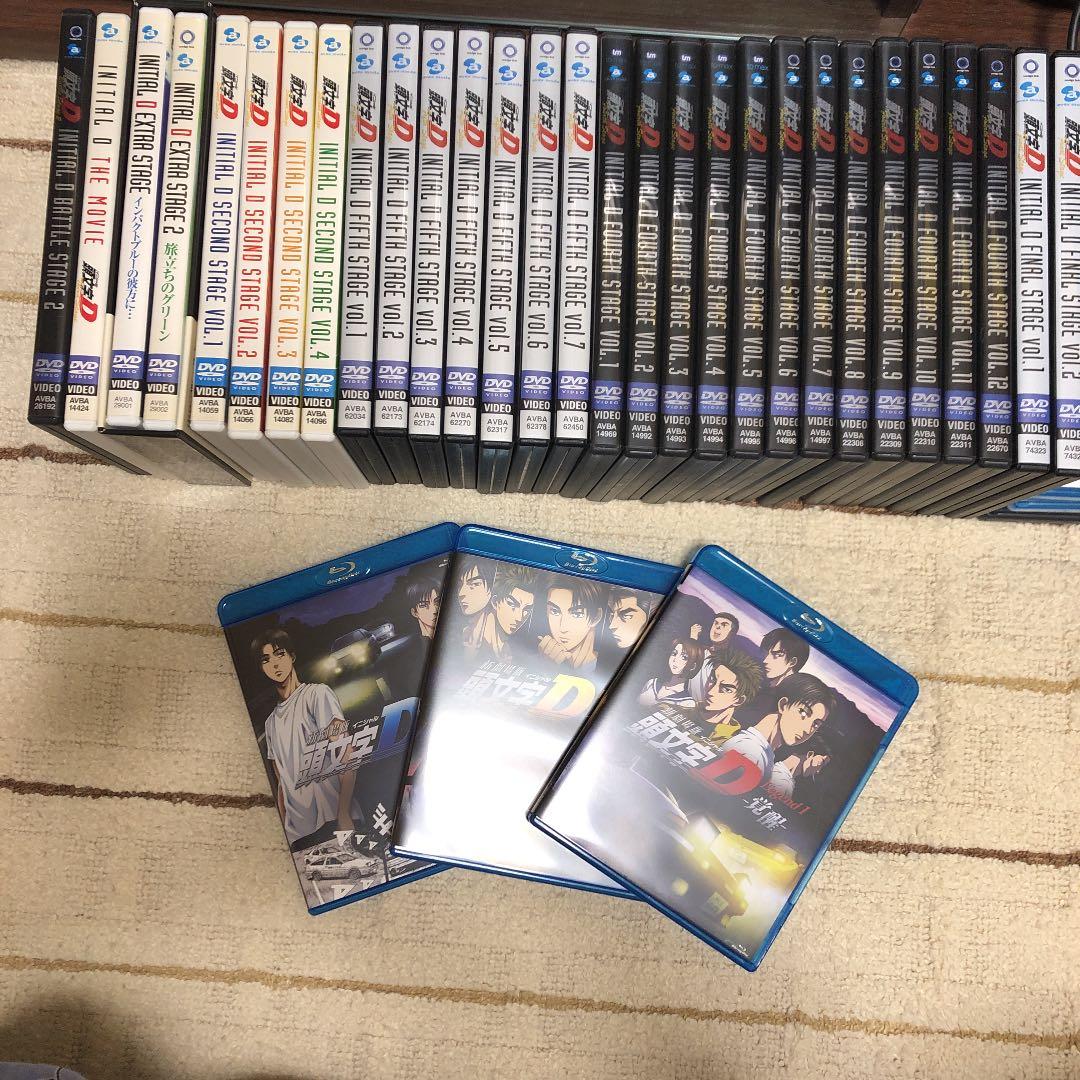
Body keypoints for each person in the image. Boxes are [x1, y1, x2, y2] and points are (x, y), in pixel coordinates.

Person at [251, 628, 357, 848]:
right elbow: (282, 784)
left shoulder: (317, 695)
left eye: (279, 654)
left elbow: (346, 754)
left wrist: (344, 813)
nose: (275, 664)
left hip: (332, 819)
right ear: (261, 668)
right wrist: (284, 832)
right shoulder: (270, 724)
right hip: (298, 835)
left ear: (292, 656)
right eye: (266, 660)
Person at [715, 672, 835, 794]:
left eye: (816, 724)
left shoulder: (763, 754)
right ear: (783, 705)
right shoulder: (751, 751)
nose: (807, 729)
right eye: (803, 712)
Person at [686, 645, 763, 741]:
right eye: (713, 679)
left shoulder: (735, 741)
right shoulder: (681, 709)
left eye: (726, 689)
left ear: (739, 700)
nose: (711, 691)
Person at [467, 564, 537, 661]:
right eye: (512, 604)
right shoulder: (470, 638)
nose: (519, 617)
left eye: (527, 610)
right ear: (495, 602)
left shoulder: (509, 648)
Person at [538, 577, 604, 670]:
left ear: (596, 617)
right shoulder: (537, 659)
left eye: (576, 614)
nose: (563, 628)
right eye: (555, 611)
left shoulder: (604, 667)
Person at [639, 637, 704, 708]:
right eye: (674, 653)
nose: (675, 659)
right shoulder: (651, 683)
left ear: (693, 666)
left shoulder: (687, 703)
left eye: (684, 657)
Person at [456, 560, 495, 646]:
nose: (461, 593)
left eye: (474, 584)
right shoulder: (464, 629)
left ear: (491, 588)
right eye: (459, 585)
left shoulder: (493, 635)